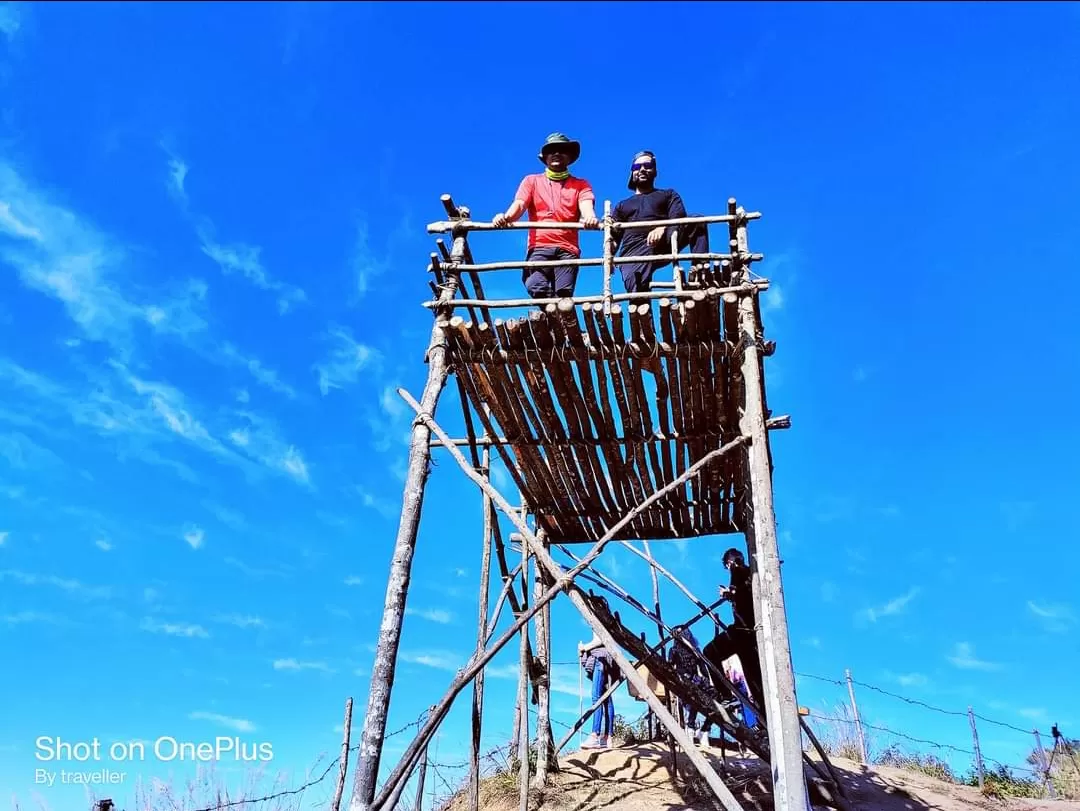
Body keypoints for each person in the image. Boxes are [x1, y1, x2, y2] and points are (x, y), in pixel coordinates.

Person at [492, 132, 599, 299]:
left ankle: (559, 318)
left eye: (562, 150)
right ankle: (560, 316)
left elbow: (586, 205)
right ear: (545, 157)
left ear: (569, 157)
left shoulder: (580, 184)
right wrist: (506, 217)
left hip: (567, 249)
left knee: (564, 293)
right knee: (535, 284)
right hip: (540, 246)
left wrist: (590, 217)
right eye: (551, 150)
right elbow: (520, 204)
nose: (556, 153)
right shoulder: (531, 181)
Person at [610, 150, 711, 294]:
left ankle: (700, 270)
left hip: (666, 240)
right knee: (638, 298)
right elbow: (614, 236)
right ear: (632, 173)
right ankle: (642, 311)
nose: (642, 169)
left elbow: (679, 215)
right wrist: (610, 254)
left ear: (655, 170)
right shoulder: (622, 205)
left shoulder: (668, 195)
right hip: (634, 249)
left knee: (697, 220)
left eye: (647, 165)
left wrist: (663, 227)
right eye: (637, 167)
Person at [703, 547, 765, 722]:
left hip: (741, 631)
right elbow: (745, 595)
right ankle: (764, 722)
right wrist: (731, 595)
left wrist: (727, 593)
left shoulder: (738, 570)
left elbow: (741, 593)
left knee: (709, 652)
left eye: (726, 565)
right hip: (750, 632)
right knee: (755, 681)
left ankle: (725, 694)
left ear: (729, 562)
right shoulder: (749, 574)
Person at [669, 624, 715, 745]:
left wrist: (707, 682)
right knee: (695, 696)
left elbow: (703, 669)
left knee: (716, 699)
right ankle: (690, 727)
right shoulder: (674, 650)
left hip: (696, 681)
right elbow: (671, 668)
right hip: (683, 682)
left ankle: (704, 730)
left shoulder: (695, 650)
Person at [578, 634, 615, 749]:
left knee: (596, 697)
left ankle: (595, 735)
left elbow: (599, 640)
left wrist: (584, 647)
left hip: (600, 660)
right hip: (607, 659)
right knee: (606, 699)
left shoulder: (597, 618)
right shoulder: (606, 620)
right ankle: (608, 737)